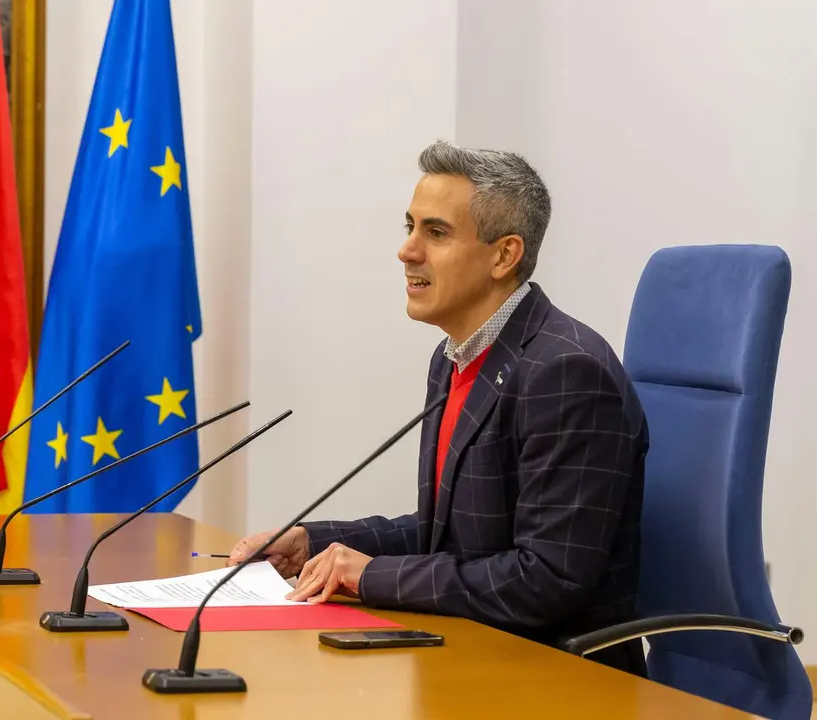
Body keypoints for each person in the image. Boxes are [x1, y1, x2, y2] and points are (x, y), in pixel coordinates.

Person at [227, 141, 649, 676]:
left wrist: (370, 575)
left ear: (504, 255)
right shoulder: (455, 357)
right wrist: (317, 541)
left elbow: (546, 580)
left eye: (436, 233)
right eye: (410, 228)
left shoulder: (565, 371)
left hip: (558, 678)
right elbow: (449, 534)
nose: (407, 251)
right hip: (469, 657)